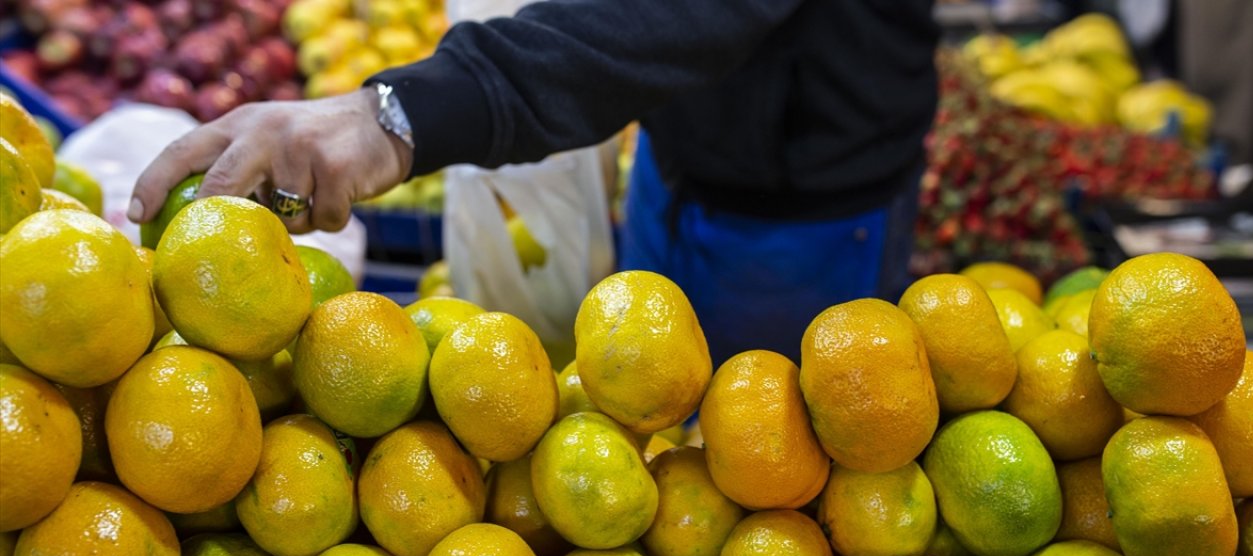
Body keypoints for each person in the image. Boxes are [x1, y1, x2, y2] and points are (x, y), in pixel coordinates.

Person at [129, 0, 940, 364]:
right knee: (651, 413)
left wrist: (402, 114)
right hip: (678, 148)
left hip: (803, 207)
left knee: (772, 486)